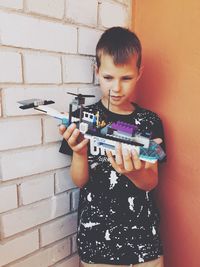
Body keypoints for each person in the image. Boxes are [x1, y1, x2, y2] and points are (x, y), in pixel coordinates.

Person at [59, 27, 166, 267]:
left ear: (139, 73)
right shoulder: (82, 119)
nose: (116, 88)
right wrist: (79, 152)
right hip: (97, 242)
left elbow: (151, 181)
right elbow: (79, 181)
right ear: (97, 72)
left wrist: (133, 172)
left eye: (126, 78)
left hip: (144, 243)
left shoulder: (149, 123)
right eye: (108, 78)